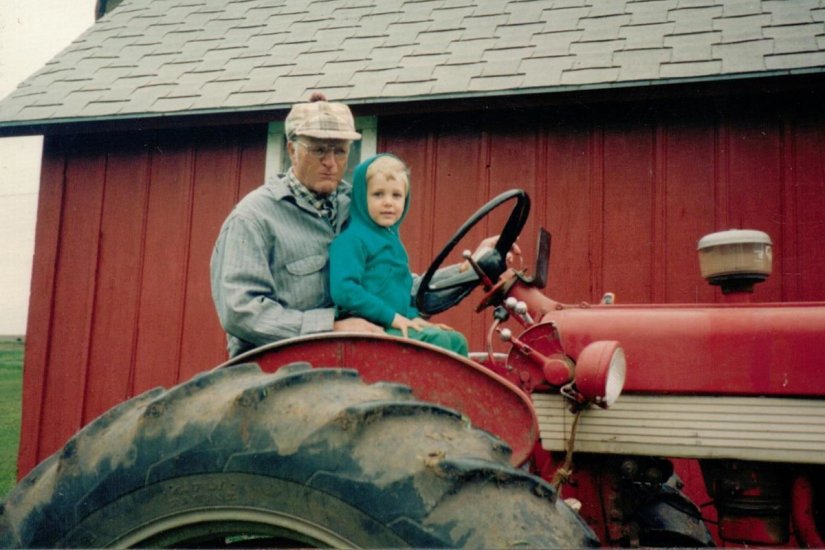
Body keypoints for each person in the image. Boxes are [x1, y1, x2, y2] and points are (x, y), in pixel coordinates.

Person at [211, 92, 506, 358]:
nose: (331, 162)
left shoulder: (356, 206)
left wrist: (472, 269)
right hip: (281, 367)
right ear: (292, 150)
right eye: (319, 150)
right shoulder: (253, 218)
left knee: (448, 354)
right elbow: (241, 312)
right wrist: (332, 326)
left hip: (351, 355)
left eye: (339, 151)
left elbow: (391, 285)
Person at [329, 154, 469, 356]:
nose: (388, 202)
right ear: (361, 197)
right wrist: (392, 317)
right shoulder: (352, 240)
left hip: (393, 322)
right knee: (437, 343)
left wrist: (412, 317)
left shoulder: (394, 244)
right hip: (368, 329)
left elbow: (400, 292)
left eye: (396, 195)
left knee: (456, 341)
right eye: (378, 194)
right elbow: (345, 290)